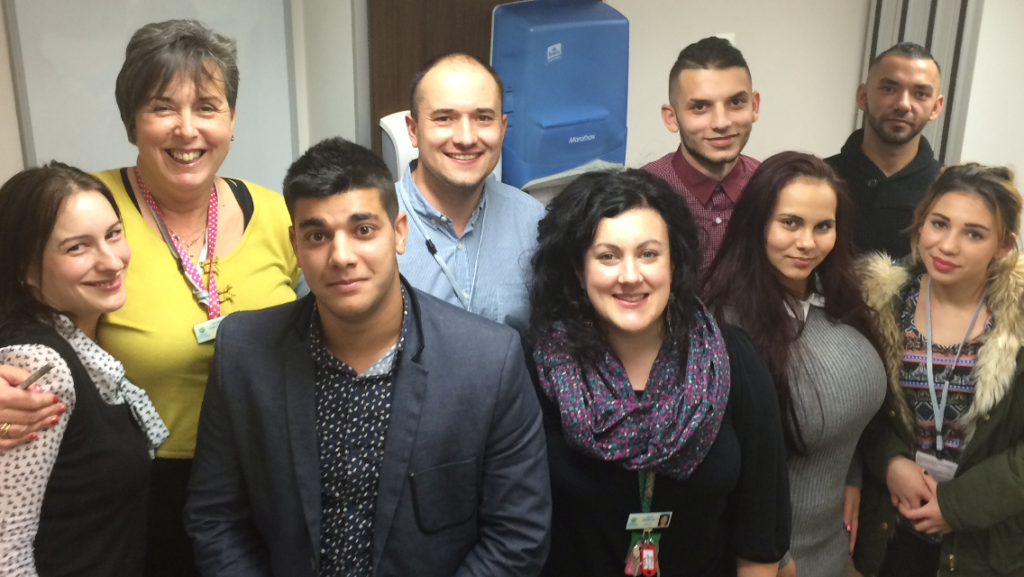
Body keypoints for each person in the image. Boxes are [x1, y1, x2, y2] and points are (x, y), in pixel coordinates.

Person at [185, 137, 550, 577]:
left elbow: (518, 535)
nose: (341, 257)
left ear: (399, 232)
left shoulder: (488, 360)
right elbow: (215, 519)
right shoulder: (244, 352)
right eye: (317, 235)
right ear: (295, 245)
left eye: (363, 230)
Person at [93, 20, 300, 576]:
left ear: (231, 122)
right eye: (163, 107)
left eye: (207, 107)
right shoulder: (88, 210)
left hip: (268, 475)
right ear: (132, 120)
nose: (187, 130)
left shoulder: (278, 212)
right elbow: (27, 325)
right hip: (139, 489)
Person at [530, 168, 790, 577]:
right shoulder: (538, 371)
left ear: (675, 263)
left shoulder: (731, 360)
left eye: (649, 254)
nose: (631, 276)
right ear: (579, 272)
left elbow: (760, 536)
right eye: (607, 256)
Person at [703, 152, 888, 577]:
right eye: (790, 222)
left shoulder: (841, 300)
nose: (807, 242)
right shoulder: (726, 327)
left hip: (836, 549)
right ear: (756, 223)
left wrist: (854, 475)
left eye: (823, 226)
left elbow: (848, 413)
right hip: (771, 562)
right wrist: (775, 558)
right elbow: (729, 473)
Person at [855, 164, 1024, 577]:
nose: (947, 245)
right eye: (939, 223)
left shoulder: (1016, 320)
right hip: (892, 529)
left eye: (974, 234)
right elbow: (862, 413)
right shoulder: (880, 305)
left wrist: (958, 505)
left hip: (986, 544)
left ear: (1004, 245)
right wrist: (891, 463)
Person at [0, 163, 168, 576]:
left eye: (113, 234)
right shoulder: (40, 365)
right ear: (25, 268)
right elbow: (7, 547)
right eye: (77, 247)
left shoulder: (86, 342)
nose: (112, 261)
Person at [398, 53, 545, 330]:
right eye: (444, 118)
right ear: (413, 129)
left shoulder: (532, 222)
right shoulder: (368, 227)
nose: (466, 138)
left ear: (502, 129)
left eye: (483, 118)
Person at [643, 36, 761, 277]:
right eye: (700, 107)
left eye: (736, 102)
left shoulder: (771, 187)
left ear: (754, 106)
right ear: (671, 117)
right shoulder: (641, 194)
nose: (721, 123)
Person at [827, 42, 945, 258]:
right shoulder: (818, 177)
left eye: (920, 94)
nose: (903, 104)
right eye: (889, 89)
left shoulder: (948, 191)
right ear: (863, 96)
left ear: (936, 107)